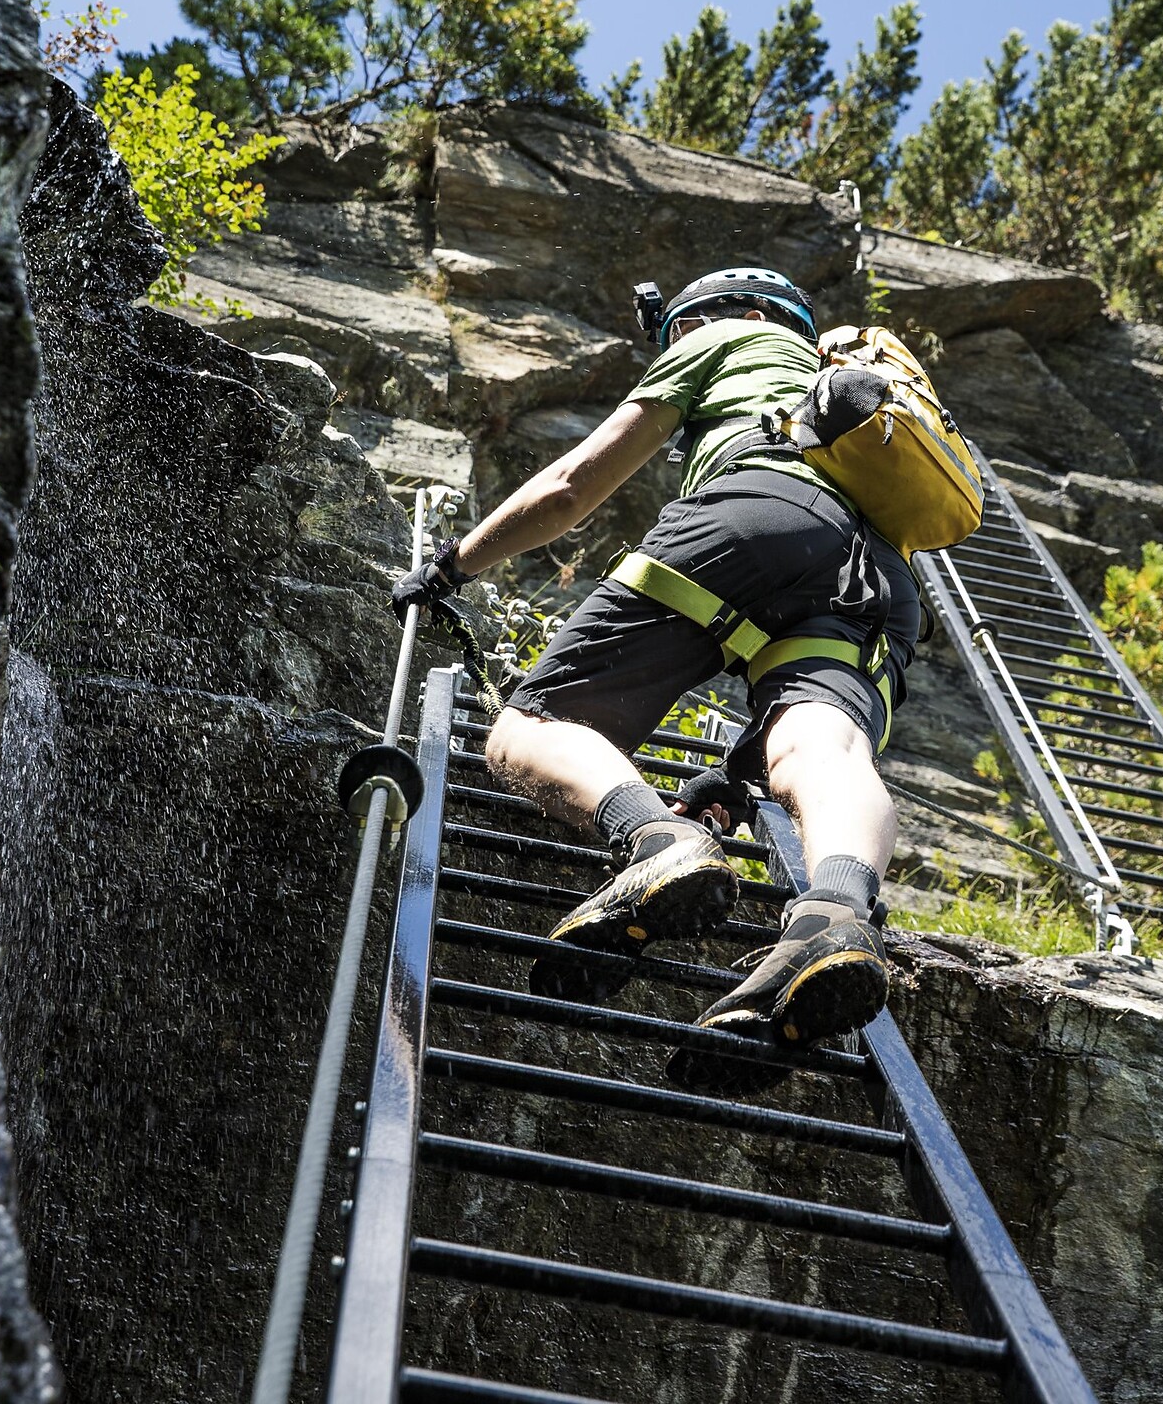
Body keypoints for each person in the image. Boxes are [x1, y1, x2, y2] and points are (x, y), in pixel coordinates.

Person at [392, 266, 926, 1055]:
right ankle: (836, 914)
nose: (677, 339)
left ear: (739, 312)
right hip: (879, 581)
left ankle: (656, 842)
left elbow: (575, 486)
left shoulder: (730, 335)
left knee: (530, 727)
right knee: (821, 746)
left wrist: (449, 568)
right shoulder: (849, 392)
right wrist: (732, 788)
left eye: (680, 324)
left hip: (758, 510)